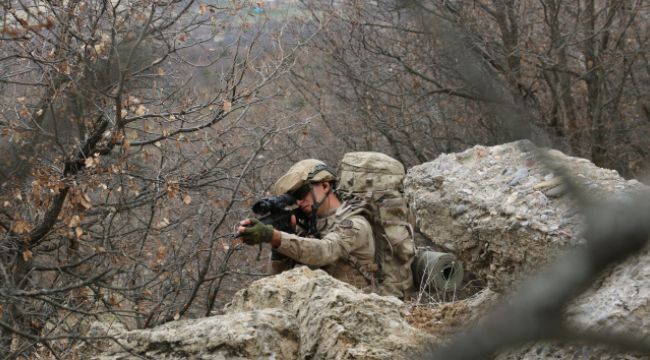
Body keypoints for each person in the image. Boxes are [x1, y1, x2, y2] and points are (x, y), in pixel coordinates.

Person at [238, 159, 383, 294]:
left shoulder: (354, 223)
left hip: (356, 307)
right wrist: (279, 249)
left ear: (325, 185)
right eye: (294, 198)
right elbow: (279, 279)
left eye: (302, 193)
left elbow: (326, 250)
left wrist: (275, 236)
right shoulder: (308, 228)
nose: (299, 202)